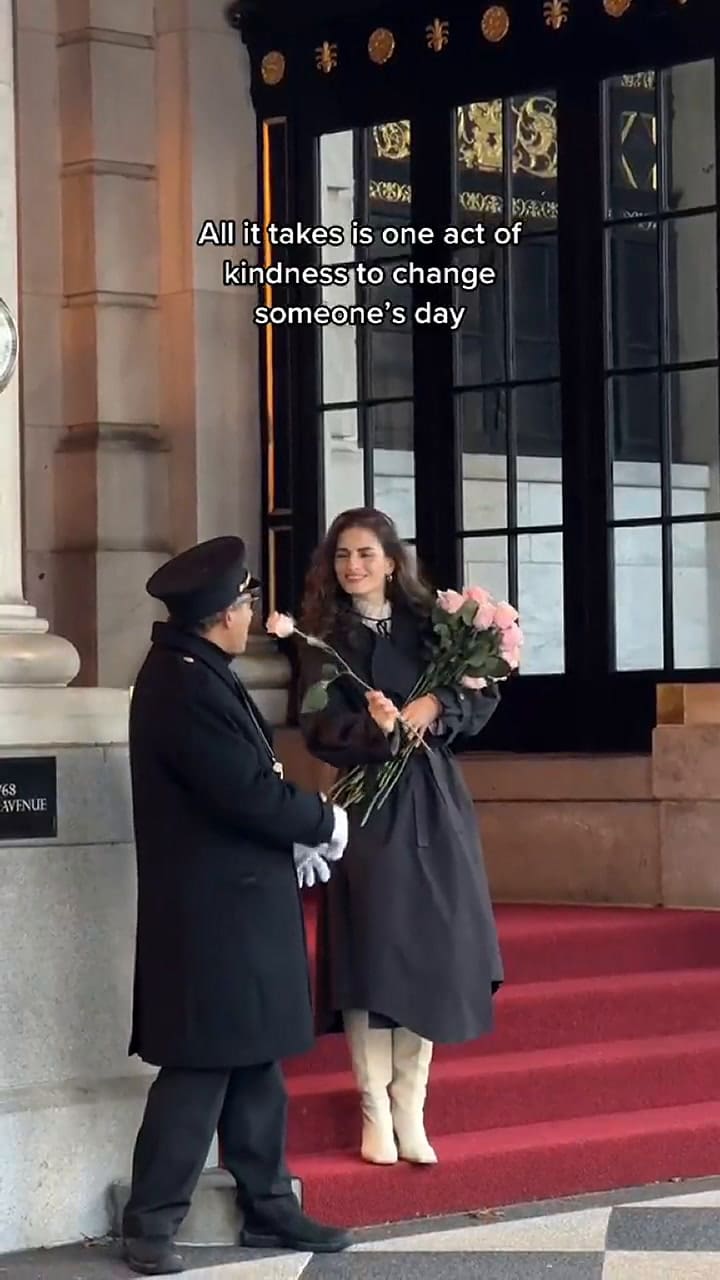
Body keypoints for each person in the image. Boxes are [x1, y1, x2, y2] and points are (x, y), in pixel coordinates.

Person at [121, 536, 352, 1277]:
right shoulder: (183, 684)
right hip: (210, 914)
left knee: (254, 1060)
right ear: (223, 615)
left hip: (235, 903)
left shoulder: (196, 671)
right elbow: (242, 791)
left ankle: (268, 1206)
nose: (253, 612)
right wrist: (320, 822)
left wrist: (294, 837)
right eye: (246, 602)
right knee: (199, 1067)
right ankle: (151, 1222)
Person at [297, 508, 504, 1167]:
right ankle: (374, 1109)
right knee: (372, 952)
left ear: (392, 561)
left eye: (364, 554)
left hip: (434, 800)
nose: (351, 566)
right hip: (367, 804)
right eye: (341, 556)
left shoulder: (433, 626)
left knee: (431, 950)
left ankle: (412, 1107)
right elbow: (317, 727)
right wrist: (376, 728)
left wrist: (435, 705)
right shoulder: (322, 639)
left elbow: (481, 692)